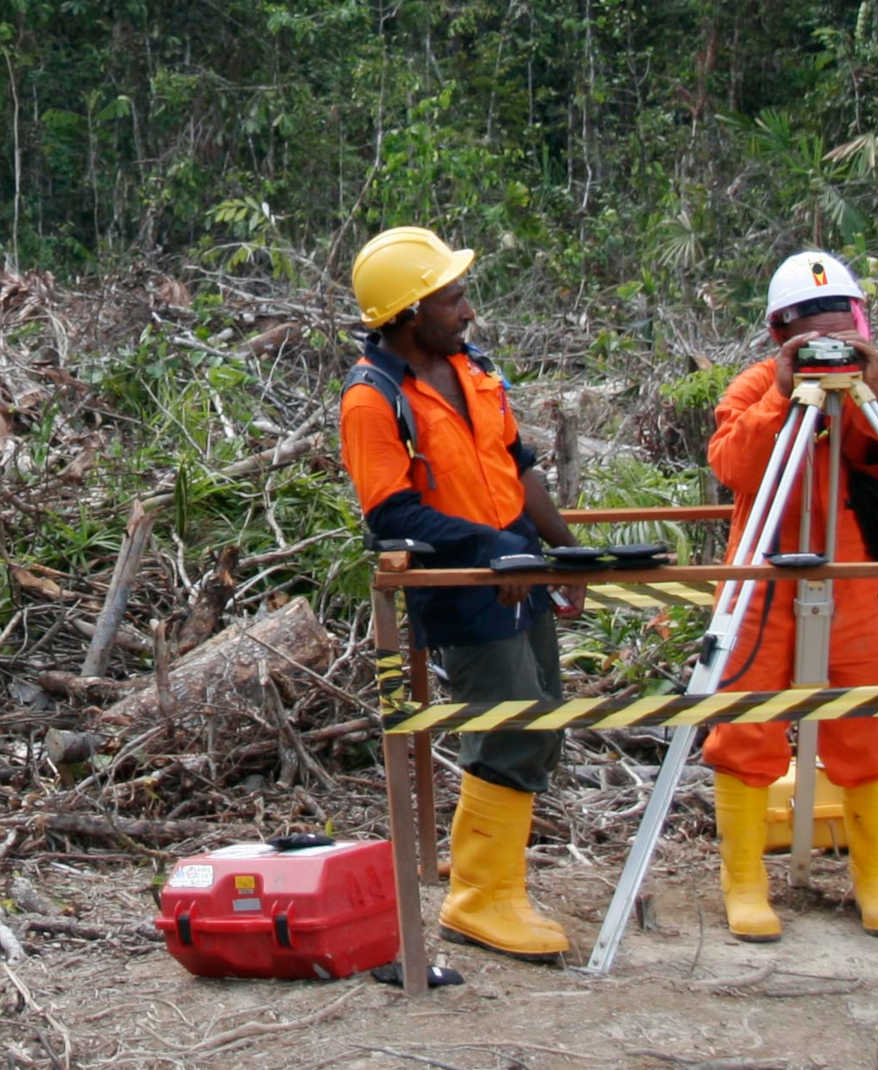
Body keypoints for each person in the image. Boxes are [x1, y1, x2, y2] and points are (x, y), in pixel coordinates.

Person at [339, 226, 585, 964]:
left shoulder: (474, 370)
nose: (467, 311)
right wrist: (491, 547)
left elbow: (520, 468)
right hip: (462, 582)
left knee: (541, 722)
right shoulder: (372, 397)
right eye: (453, 298)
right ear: (412, 313)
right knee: (509, 724)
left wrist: (567, 554)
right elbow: (390, 513)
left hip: (517, 570)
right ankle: (479, 901)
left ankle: (492, 880)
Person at [702, 250, 878, 943]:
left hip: (849, 580)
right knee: (747, 726)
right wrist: (786, 396)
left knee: (869, 725)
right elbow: (732, 465)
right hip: (763, 576)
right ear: (780, 334)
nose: (825, 344)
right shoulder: (756, 386)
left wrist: (876, 394)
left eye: (839, 329)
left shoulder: (872, 390)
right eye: (809, 332)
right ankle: (746, 885)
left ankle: (876, 884)